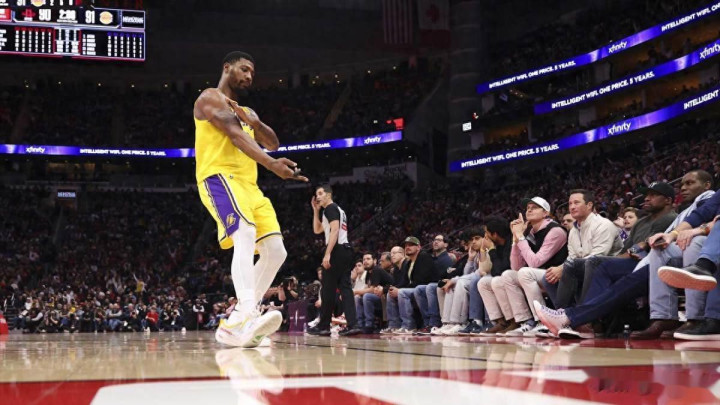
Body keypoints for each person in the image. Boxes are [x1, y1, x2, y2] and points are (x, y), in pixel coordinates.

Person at [194, 51, 308, 348]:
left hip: (251, 187)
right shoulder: (209, 97)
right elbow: (234, 135)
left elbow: (273, 143)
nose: (248, 76)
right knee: (244, 234)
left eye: (252, 73)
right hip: (220, 177)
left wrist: (255, 123)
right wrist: (271, 164)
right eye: (244, 69)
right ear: (226, 67)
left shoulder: (246, 111)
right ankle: (246, 314)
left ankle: (235, 323)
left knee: (276, 252)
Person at [307, 184, 361, 336]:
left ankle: (324, 326)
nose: (317, 196)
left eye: (320, 193)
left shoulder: (330, 208)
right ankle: (353, 324)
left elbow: (335, 230)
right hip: (345, 250)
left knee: (328, 289)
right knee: (345, 288)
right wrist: (315, 210)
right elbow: (317, 229)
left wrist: (327, 253)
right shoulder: (336, 210)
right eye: (316, 194)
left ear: (328, 195)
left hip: (336, 250)